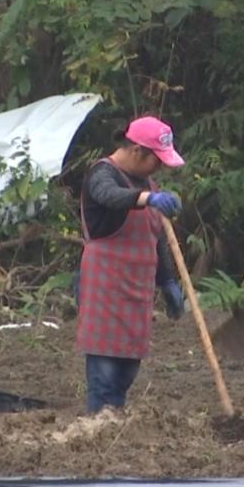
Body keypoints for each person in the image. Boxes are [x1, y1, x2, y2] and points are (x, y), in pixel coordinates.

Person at [76, 116, 186, 414]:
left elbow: (156, 238)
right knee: (105, 372)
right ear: (138, 151)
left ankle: (114, 420)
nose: (159, 168)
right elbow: (109, 196)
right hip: (105, 286)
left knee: (126, 371)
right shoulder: (101, 173)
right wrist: (148, 198)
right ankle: (98, 424)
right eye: (157, 160)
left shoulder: (148, 183)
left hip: (137, 289)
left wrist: (168, 282)